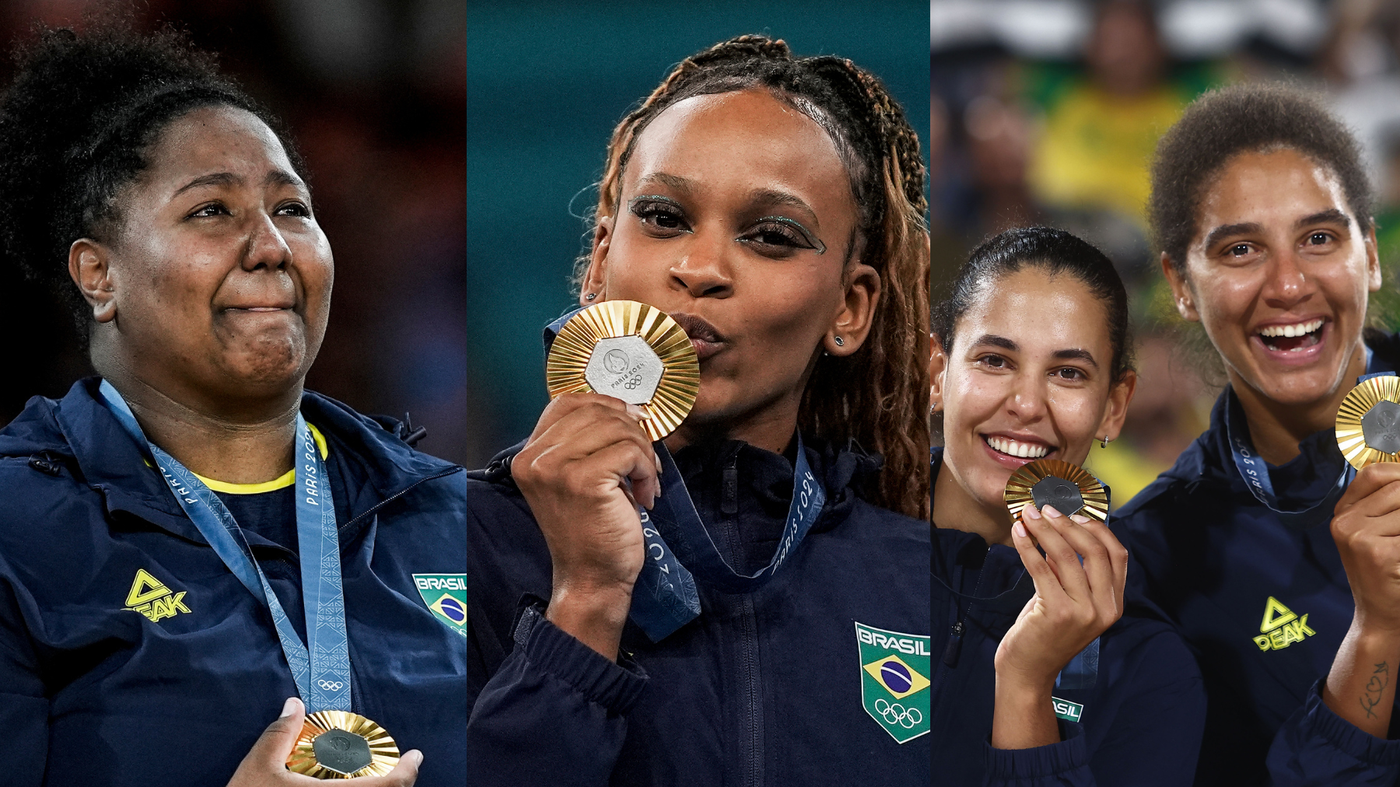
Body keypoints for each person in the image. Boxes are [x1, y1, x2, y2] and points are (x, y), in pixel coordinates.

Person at [0, 25, 466, 787]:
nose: (272, 245)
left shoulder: (446, 515)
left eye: (292, 208)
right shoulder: (20, 531)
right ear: (99, 274)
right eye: (213, 210)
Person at [465, 35, 931, 785]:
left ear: (850, 307)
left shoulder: (928, 583)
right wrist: (585, 601)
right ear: (600, 259)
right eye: (663, 217)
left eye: (771, 236)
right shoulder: (450, 544)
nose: (701, 268)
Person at [1116, 83, 1400, 784]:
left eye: (1319, 238)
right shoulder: (1153, 558)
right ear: (1181, 285)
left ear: (1369, 253)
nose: (1289, 284)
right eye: (1241, 249)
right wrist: (1377, 632)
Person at [930, 226, 1205, 785]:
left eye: (1068, 373)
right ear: (937, 372)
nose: (1027, 404)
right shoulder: (830, 546)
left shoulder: (1148, 668)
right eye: (995, 360)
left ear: (1114, 407)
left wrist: (1026, 687)